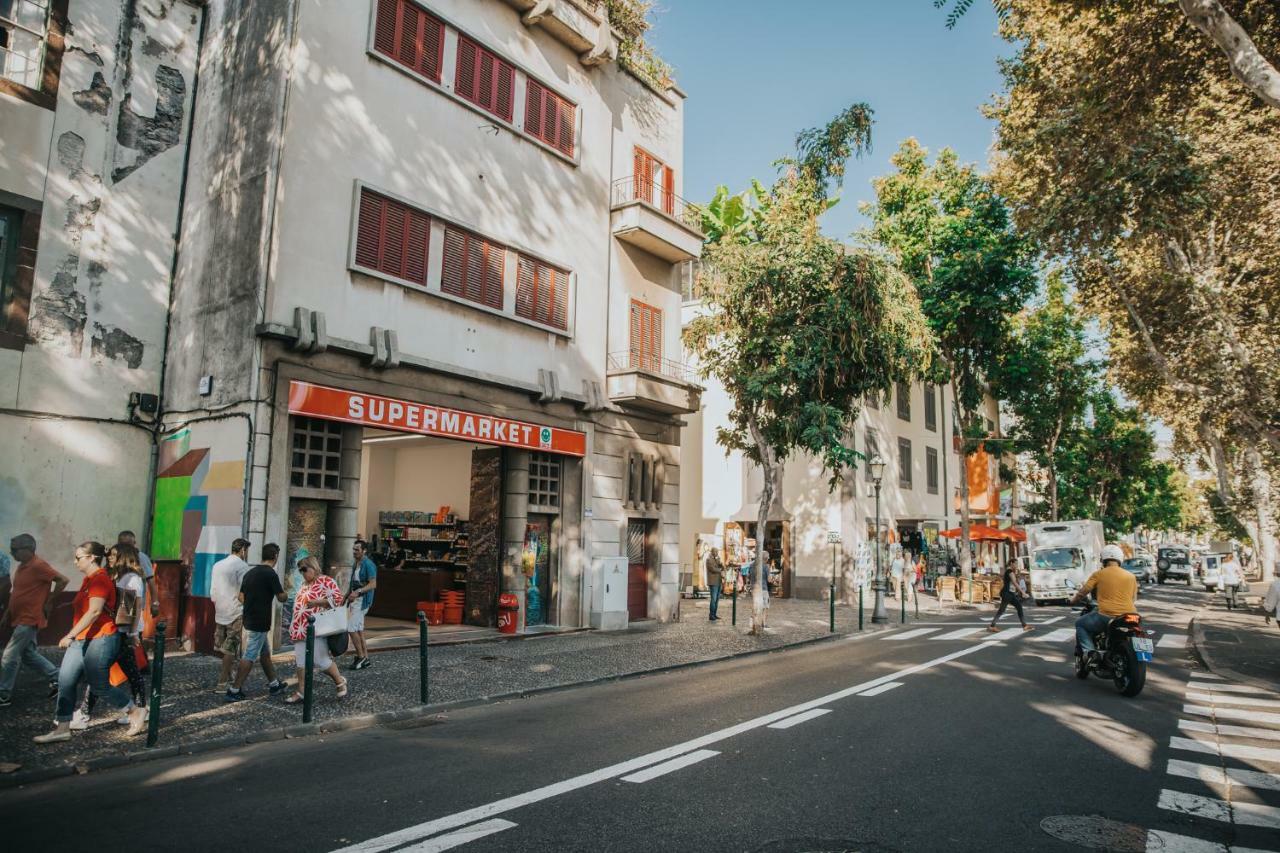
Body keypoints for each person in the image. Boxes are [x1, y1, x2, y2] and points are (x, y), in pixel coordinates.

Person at [34, 542, 146, 742]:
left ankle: (134, 710)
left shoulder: (101, 579)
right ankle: (63, 728)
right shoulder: (89, 579)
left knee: (99, 684)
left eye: (78, 557)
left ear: (91, 558)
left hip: (102, 637)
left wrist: (69, 634)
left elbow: (94, 611)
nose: (75, 561)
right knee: (65, 680)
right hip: (82, 637)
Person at [73, 544, 148, 729]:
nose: (110, 558)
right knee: (123, 673)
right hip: (120, 631)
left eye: (115, 555)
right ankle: (139, 709)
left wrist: (131, 633)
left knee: (102, 673)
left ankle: (85, 713)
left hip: (122, 632)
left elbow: (132, 608)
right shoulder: (120, 576)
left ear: (124, 556)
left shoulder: (131, 578)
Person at [0, 534, 68, 707]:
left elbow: (62, 580)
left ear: (28, 549)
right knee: (29, 655)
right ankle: (59, 678)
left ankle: (4, 694)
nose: (12, 553)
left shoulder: (39, 565)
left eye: (15, 549)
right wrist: (8, 613)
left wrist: (50, 601)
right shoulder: (22, 566)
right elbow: (17, 593)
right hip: (20, 616)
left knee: (9, 656)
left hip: (30, 618)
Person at [226, 543, 288, 701]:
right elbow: (281, 597)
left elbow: (241, 597)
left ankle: (274, 684)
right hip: (260, 621)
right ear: (275, 556)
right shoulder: (270, 574)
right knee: (250, 655)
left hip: (249, 618)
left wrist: (252, 603)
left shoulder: (250, 572)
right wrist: (287, 593)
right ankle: (234, 689)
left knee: (265, 653)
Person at [285, 556, 348, 703]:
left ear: (313, 567)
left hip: (318, 627)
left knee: (321, 660)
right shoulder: (304, 584)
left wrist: (321, 602)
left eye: (304, 569)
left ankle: (340, 682)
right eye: (300, 571)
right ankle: (301, 692)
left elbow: (339, 601)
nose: (302, 573)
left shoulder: (326, 581)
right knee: (300, 661)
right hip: (300, 628)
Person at [1069, 544, 1139, 658]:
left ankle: (1090, 653)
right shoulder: (1131, 576)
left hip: (1107, 615)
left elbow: (1084, 591)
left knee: (1080, 624)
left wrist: (1073, 600)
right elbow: (1134, 599)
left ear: (1103, 560)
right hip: (1131, 615)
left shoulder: (1099, 574)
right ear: (1120, 559)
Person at [210, 538, 252, 692]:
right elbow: (244, 590)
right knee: (230, 647)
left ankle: (230, 675)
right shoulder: (242, 567)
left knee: (223, 647)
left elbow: (213, 592)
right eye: (246, 551)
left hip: (220, 609)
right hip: (236, 610)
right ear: (242, 550)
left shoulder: (217, 565)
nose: (246, 554)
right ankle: (222, 682)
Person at [346, 540, 378, 671]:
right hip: (355, 600)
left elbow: (373, 584)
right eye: (353, 549)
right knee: (358, 629)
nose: (354, 552)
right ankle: (365, 657)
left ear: (364, 550)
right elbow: (353, 582)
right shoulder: (356, 564)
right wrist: (345, 596)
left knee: (351, 628)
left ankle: (360, 657)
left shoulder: (368, 564)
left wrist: (358, 592)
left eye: (357, 550)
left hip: (362, 600)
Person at [117, 531, 160, 620]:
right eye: (123, 544)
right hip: (116, 605)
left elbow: (151, 581)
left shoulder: (141, 558)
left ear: (134, 544)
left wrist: (155, 603)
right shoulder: (115, 556)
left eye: (128, 544)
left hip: (134, 606)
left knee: (132, 631)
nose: (126, 547)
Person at [989, 559, 1033, 632]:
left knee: (1017, 607)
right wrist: (1023, 593)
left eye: (1017, 564)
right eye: (1015, 564)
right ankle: (992, 626)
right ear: (1011, 563)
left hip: (1009, 593)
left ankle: (1025, 625)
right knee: (1002, 610)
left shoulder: (1010, 572)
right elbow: (1015, 583)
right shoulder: (1010, 572)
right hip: (1007, 593)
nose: (1016, 565)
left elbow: (1013, 582)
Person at [705, 546, 723, 621]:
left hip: (718, 581)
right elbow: (712, 569)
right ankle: (711, 615)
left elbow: (721, 567)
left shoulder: (717, 559)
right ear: (712, 552)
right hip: (713, 582)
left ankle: (714, 614)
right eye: (716, 552)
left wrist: (721, 564)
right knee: (713, 599)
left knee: (717, 599)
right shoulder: (708, 560)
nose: (717, 553)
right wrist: (720, 569)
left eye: (718, 552)